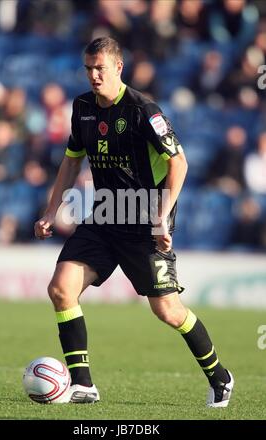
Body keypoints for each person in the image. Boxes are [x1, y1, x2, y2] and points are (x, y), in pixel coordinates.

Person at [34, 37, 234, 406]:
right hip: (105, 213)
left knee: (168, 311)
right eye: (88, 69)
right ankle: (83, 385)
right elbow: (71, 160)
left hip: (144, 219)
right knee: (61, 287)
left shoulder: (144, 110)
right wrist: (51, 210)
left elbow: (179, 163)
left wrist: (162, 216)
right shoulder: (81, 108)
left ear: (118, 68)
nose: (93, 76)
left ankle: (220, 376)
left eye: (100, 69)